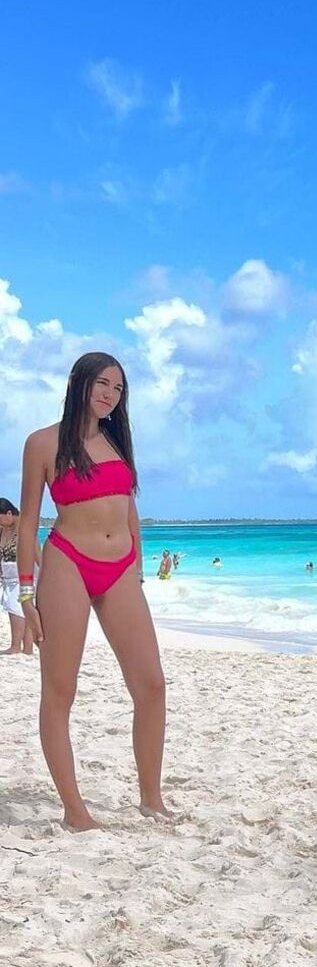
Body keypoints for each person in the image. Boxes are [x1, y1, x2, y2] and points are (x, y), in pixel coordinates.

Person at [17, 351, 171, 831]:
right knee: (60, 689)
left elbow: (128, 506)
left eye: (118, 388)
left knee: (151, 684)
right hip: (68, 563)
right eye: (102, 383)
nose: (110, 395)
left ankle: (151, 799)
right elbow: (27, 521)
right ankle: (75, 812)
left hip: (121, 569)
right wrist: (26, 595)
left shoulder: (116, 442)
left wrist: (138, 565)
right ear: (77, 382)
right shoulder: (42, 443)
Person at [1, 498, 38, 655]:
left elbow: (36, 552)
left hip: (24, 576)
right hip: (8, 576)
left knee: (15, 607)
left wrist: (46, 576)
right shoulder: (3, 529)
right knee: (19, 608)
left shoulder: (24, 528)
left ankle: (16, 646)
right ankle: (27, 648)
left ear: (9, 513)